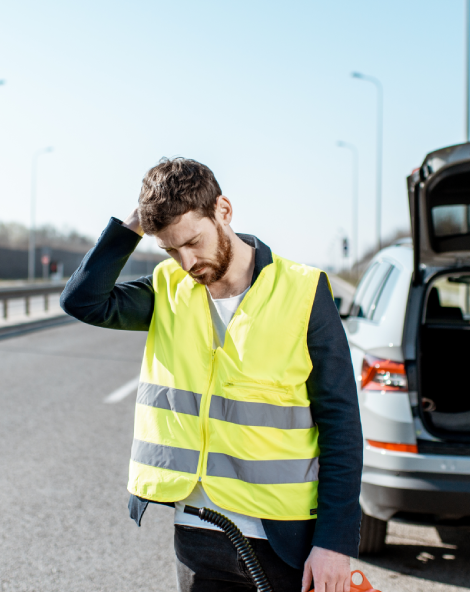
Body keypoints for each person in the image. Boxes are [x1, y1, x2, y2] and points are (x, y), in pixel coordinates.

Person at [61, 158, 362, 592]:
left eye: (193, 241)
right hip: (199, 535)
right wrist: (134, 225)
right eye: (169, 249)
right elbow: (82, 301)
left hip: (284, 538)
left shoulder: (303, 291)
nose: (186, 261)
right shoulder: (167, 288)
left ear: (223, 210)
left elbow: (342, 424)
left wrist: (335, 542)